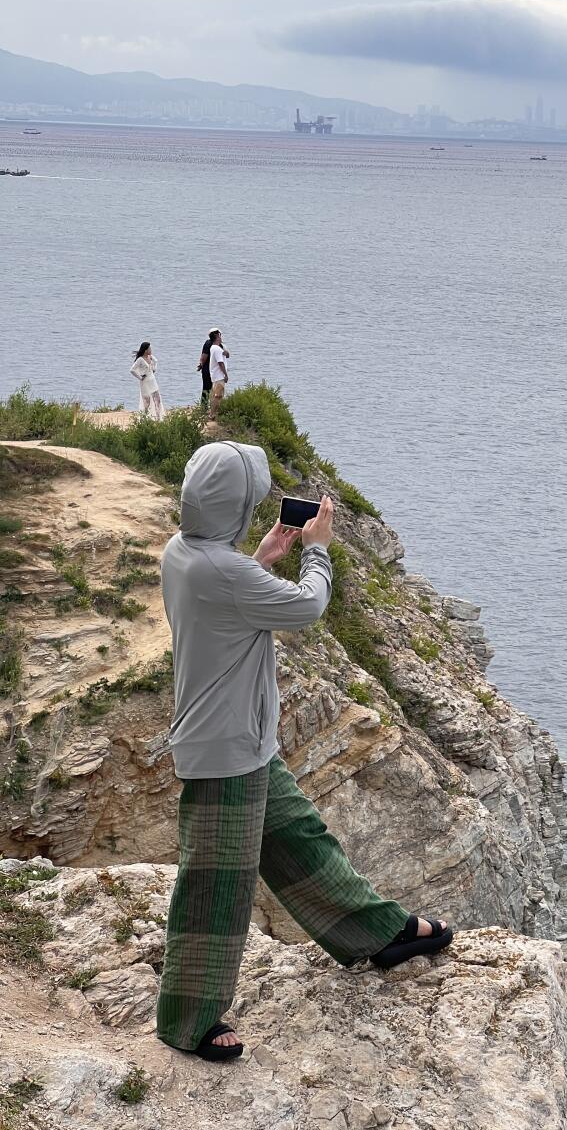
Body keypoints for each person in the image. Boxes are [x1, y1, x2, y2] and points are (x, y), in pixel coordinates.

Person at [155, 441, 452, 1063]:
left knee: (300, 842)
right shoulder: (226, 574)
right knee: (216, 886)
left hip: (244, 741)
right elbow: (307, 607)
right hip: (225, 750)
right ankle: (187, 1019)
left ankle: (377, 932)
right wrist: (316, 549)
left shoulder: (183, 552)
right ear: (234, 506)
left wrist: (261, 557)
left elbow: (227, 590)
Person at [130, 341, 165, 420]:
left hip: (153, 381)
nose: (151, 350)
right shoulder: (140, 360)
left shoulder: (150, 357)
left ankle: (158, 418)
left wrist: (154, 366)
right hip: (145, 383)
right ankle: (144, 419)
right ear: (145, 350)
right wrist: (140, 377)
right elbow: (132, 370)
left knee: (157, 400)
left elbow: (155, 364)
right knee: (147, 402)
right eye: (149, 348)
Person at [197, 327, 228, 410]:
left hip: (209, 369)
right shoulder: (216, 345)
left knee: (207, 388)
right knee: (212, 389)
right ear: (217, 335)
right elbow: (204, 357)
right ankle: (210, 407)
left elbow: (203, 357)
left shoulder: (215, 344)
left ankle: (205, 407)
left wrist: (200, 364)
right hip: (213, 370)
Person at [206, 330, 229, 421]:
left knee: (214, 395)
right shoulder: (217, 349)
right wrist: (225, 375)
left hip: (215, 376)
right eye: (219, 335)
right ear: (217, 337)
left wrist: (225, 352)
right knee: (218, 396)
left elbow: (226, 355)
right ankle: (212, 415)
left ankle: (212, 413)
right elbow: (220, 363)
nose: (221, 337)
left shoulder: (214, 348)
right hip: (219, 376)